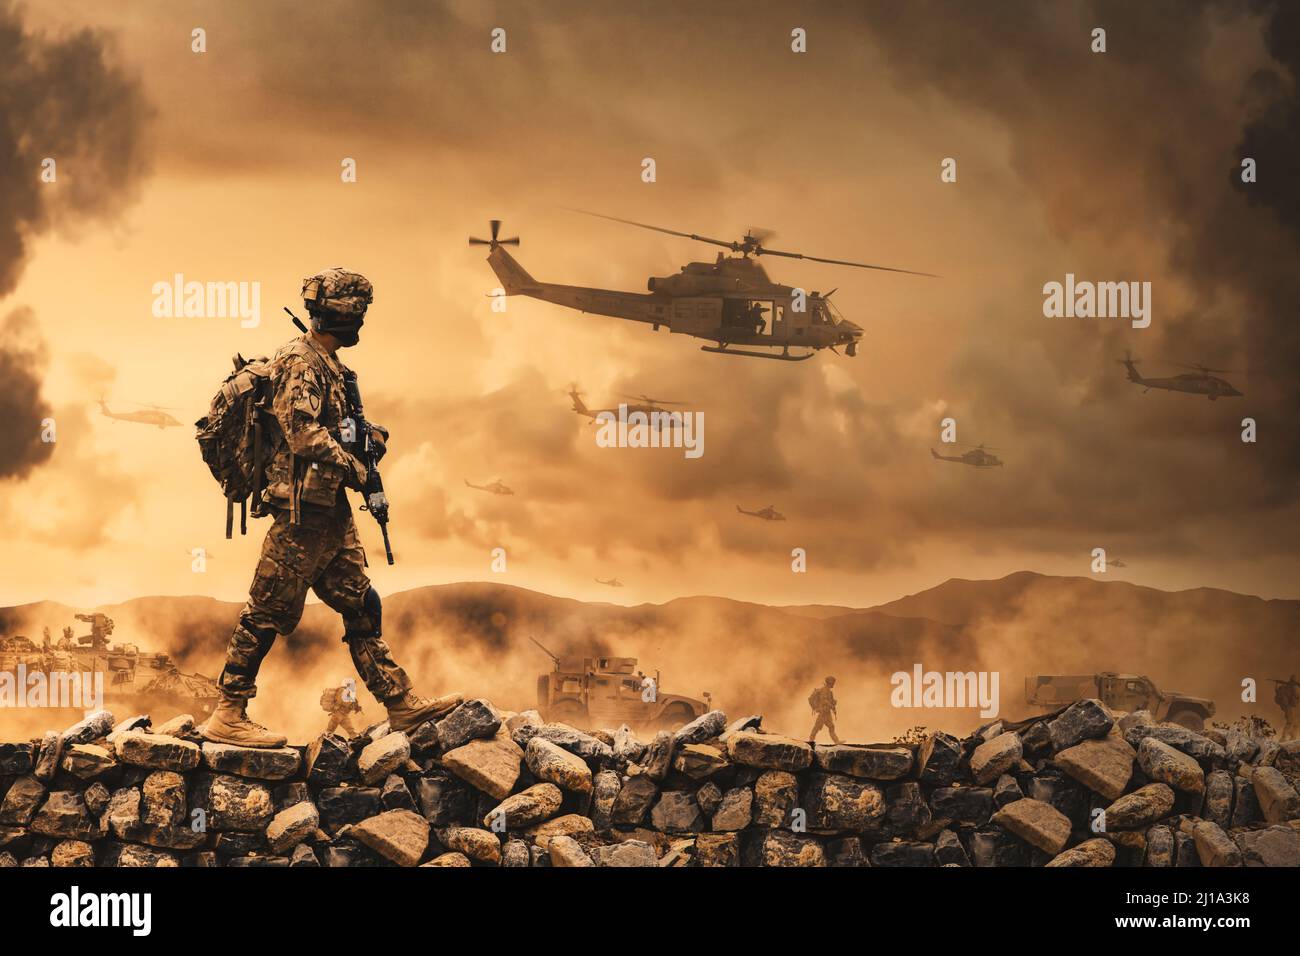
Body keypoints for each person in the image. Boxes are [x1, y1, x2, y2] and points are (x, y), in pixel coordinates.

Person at [201, 267, 461, 748]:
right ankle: (228, 711)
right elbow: (302, 434)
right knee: (266, 610)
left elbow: (334, 427)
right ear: (339, 314)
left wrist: (369, 437)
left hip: (329, 511)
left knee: (361, 603)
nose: (361, 321)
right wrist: (356, 470)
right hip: (301, 512)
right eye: (356, 312)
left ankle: (399, 702)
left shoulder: (332, 367)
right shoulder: (300, 361)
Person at [808, 675, 841, 743]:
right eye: (833, 683)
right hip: (823, 712)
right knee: (817, 726)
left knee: (831, 726)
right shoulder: (824, 690)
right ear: (830, 683)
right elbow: (824, 700)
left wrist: (833, 703)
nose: (834, 684)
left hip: (826, 712)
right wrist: (831, 705)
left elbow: (828, 700)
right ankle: (811, 739)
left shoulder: (828, 691)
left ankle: (836, 741)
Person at [1277, 674, 1298, 740]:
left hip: (1288, 707)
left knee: (1294, 723)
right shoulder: (1291, 687)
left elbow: (1277, 692)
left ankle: (1292, 736)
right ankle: (1283, 737)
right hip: (1289, 707)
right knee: (1290, 722)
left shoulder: (1286, 687)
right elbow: (1296, 696)